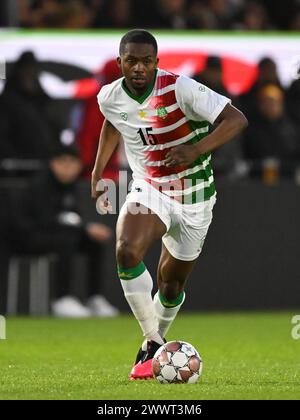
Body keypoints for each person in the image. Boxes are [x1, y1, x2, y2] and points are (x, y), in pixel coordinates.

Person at [91, 29, 248, 380]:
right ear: (120, 62)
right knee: (127, 250)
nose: (138, 68)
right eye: (131, 61)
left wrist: (195, 150)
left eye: (146, 61)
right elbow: (113, 123)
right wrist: (98, 170)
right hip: (150, 188)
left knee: (171, 285)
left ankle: (152, 347)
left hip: (195, 199)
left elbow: (236, 119)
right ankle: (152, 341)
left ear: (156, 63)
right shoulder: (109, 96)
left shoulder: (180, 89)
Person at [11, 143, 119, 318]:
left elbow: (71, 217)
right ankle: (62, 298)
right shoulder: (40, 185)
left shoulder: (72, 187)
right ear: (53, 164)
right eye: (63, 162)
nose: (68, 167)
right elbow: (46, 220)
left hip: (57, 235)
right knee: (67, 239)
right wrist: (85, 228)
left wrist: (85, 231)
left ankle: (95, 298)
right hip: (28, 237)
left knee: (93, 244)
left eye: (72, 162)